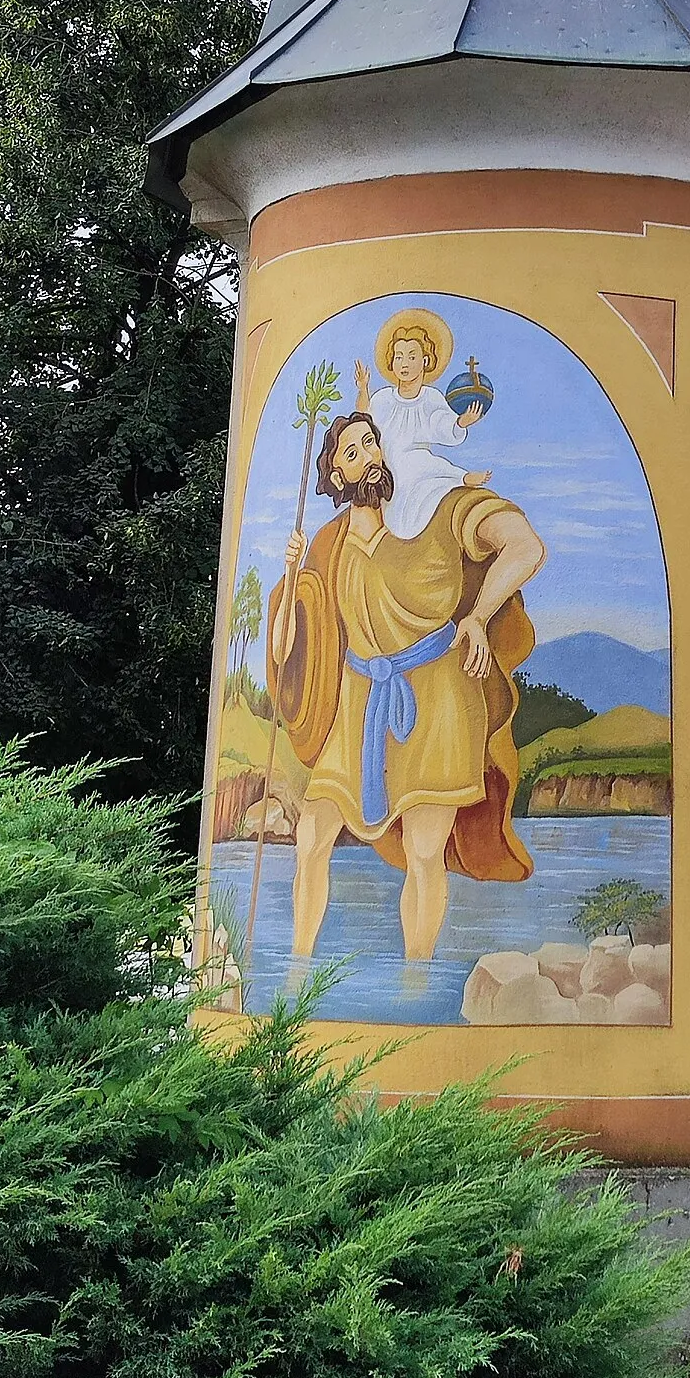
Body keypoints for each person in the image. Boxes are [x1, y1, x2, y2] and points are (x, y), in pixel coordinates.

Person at [267, 409, 544, 964]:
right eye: (352, 451)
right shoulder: (330, 542)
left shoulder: (438, 505)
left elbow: (526, 546)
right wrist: (293, 575)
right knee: (311, 837)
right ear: (337, 477)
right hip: (356, 704)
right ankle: (296, 973)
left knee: (423, 851)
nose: (369, 454)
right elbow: (281, 652)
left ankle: (415, 979)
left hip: (439, 696)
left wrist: (480, 615)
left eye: (372, 441)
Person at [355, 308, 488, 541]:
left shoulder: (431, 398)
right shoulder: (384, 399)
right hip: (388, 462)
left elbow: (441, 424)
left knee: (426, 464)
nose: (404, 363)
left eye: (411, 356)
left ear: (425, 360)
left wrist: (460, 422)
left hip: (419, 460)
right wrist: (364, 388)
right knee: (404, 466)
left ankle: (461, 478)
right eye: (399, 356)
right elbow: (363, 418)